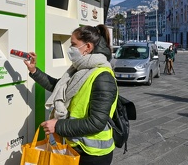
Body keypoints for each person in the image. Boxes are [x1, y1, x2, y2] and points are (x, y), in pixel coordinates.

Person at [24, 24, 118, 165]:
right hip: (77, 145)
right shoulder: (79, 70)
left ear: (87, 47)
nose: (70, 49)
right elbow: (59, 87)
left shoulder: (102, 76)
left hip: (94, 154)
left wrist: (58, 125)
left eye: (74, 44)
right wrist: (34, 70)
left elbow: (97, 122)